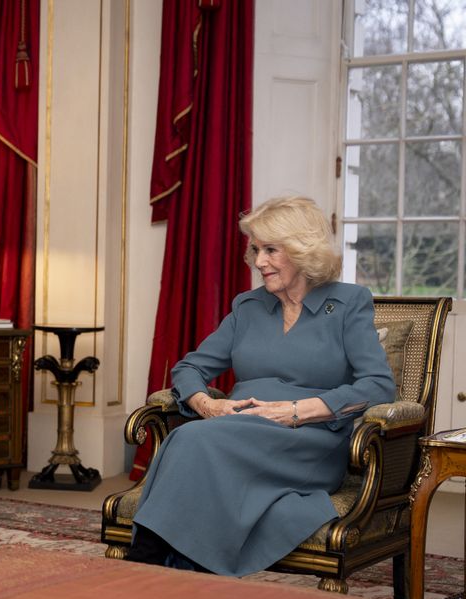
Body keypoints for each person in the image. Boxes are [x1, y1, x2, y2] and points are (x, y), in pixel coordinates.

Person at [127, 196, 396, 576]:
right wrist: (208, 405)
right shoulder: (248, 306)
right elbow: (190, 368)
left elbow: (378, 385)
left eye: (271, 250)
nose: (259, 261)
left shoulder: (348, 303)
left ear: (303, 249)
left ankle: (145, 563)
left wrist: (296, 411)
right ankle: (177, 571)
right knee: (198, 438)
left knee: (189, 439)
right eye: (255, 250)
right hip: (238, 430)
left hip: (309, 440)